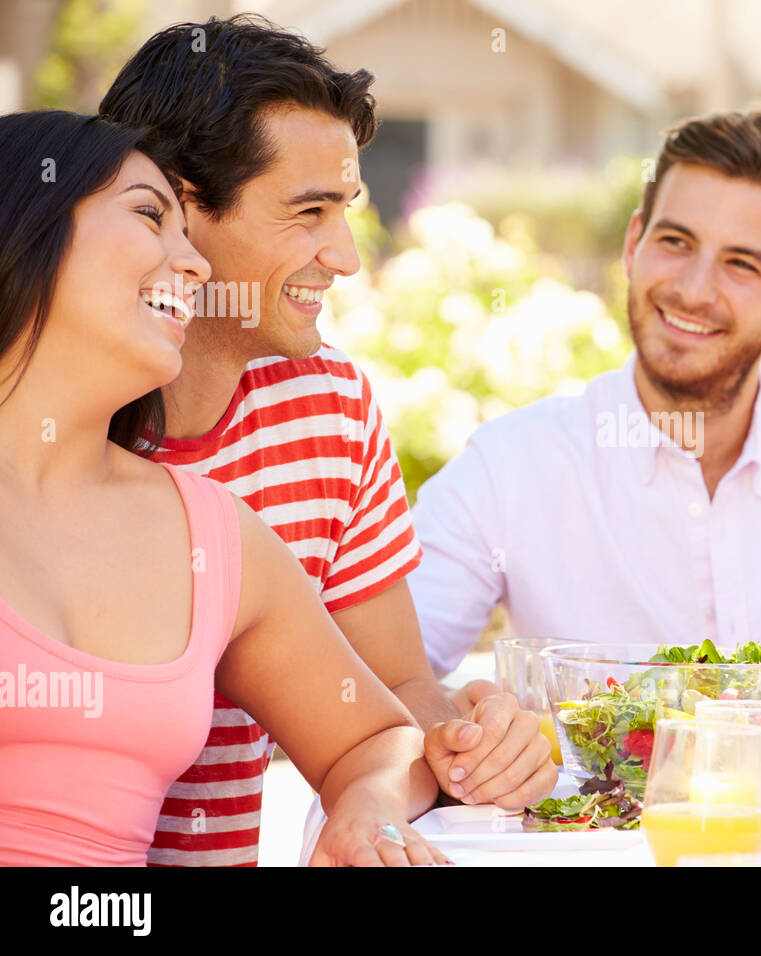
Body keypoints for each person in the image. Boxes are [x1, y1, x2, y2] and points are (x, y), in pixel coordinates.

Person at [98, 15, 554, 866]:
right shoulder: (49, 419)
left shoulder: (326, 402)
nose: (344, 256)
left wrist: (467, 744)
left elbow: (391, 699)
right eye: (308, 213)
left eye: (344, 212)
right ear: (177, 208)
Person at [406, 108, 761, 736]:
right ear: (635, 245)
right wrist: (468, 723)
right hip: (591, 833)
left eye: (742, 263)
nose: (693, 288)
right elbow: (386, 678)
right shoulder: (511, 467)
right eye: (676, 242)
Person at [0, 109, 446, 866]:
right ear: (24, 223)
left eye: (186, 233)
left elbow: (379, 735)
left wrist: (364, 811)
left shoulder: (209, 533)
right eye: (148, 215)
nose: (194, 265)